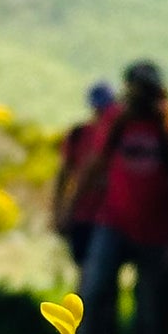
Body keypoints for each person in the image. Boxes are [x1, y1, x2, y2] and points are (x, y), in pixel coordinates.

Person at [74, 61, 168, 334]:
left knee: (152, 309)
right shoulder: (116, 125)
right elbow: (93, 167)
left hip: (159, 233)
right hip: (113, 223)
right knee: (93, 293)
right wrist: (70, 208)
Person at [52, 81, 117, 267]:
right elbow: (64, 175)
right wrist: (60, 212)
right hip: (82, 214)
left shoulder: (120, 136)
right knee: (85, 270)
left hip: (111, 218)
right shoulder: (79, 134)